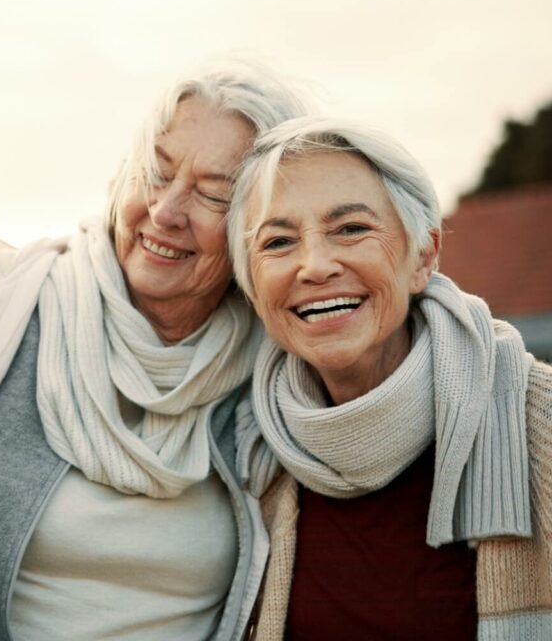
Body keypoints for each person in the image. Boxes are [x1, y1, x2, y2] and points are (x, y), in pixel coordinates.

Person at [0, 62, 308, 640]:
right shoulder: (3, 319)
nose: (167, 212)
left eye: (213, 195)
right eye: (156, 172)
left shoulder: (277, 375)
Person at [226, 117, 552, 639]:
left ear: (422, 256)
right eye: (278, 242)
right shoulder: (248, 456)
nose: (315, 265)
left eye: (351, 229)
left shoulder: (541, 423)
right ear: (253, 288)